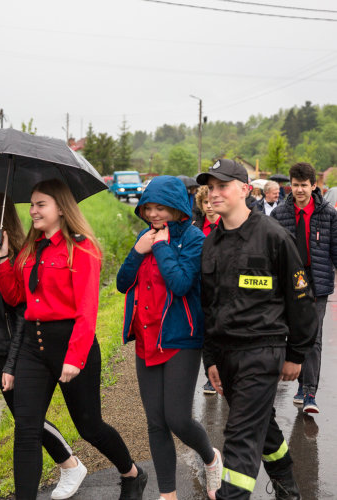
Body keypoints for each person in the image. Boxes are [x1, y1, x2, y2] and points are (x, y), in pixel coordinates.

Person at [0, 179, 148, 500]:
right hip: (34, 347)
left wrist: (74, 358)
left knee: (89, 427)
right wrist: (4, 260)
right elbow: (16, 296)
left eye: (40, 204)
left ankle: (132, 473)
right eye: (31, 204)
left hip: (72, 346)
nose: (33, 211)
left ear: (61, 208)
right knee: (26, 430)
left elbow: (87, 310)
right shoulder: (31, 250)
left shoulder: (82, 248)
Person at [0, 192, 85, 500]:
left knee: (27, 421)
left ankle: (71, 464)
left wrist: (12, 362)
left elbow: (22, 311)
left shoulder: (19, 255)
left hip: (7, 348)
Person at [197, 158, 317, 499]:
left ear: (244, 190)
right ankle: (287, 485)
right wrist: (211, 360)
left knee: (240, 434)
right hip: (227, 354)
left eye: (222, 186)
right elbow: (210, 308)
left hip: (263, 351)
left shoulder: (273, 236)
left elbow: (301, 300)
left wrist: (296, 354)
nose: (214, 193)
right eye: (211, 187)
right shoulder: (212, 244)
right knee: (261, 426)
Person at [117, 176, 222, 500]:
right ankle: (168, 494)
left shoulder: (193, 239)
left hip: (181, 338)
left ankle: (211, 458)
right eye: (148, 207)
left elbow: (179, 283)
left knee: (176, 417)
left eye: (160, 207)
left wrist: (160, 246)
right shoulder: (143, 237)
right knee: (155, 422)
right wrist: (138, 250)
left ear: (177, 208)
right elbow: (122, 283)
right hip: (146, 337)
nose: (153, 213)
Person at [271, 162, 337, 414]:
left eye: (304, 185)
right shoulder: (279, 214)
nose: (299, 190)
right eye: (295, 185)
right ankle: (285, 381)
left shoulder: (328, 214)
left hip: (317, 282)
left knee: (313, 335)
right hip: (288, 282)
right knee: (285, 331)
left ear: (313, 186)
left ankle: (308, 391)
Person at [193, 185, 221, 395]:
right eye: (205, 203)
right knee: (206, 332)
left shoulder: (227, 226)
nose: (209, 207)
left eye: (212, 202)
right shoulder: (196, 228)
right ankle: (210, 377)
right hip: (201, 285)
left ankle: (225, 373)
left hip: (222, 284)